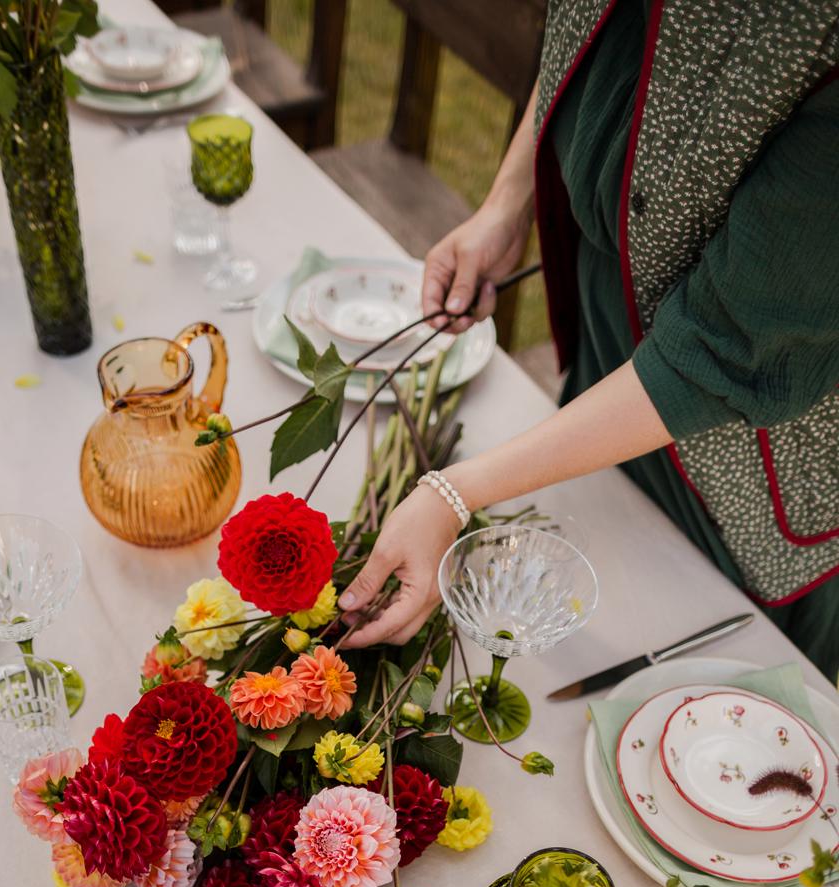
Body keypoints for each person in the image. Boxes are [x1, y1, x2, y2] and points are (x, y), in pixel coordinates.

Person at [340, 0, 839, 681]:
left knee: (688, 691)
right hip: (616, 352)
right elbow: (584, 31)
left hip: (750, 452)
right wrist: (505, 205)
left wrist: (453, 494)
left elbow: (720, 350)